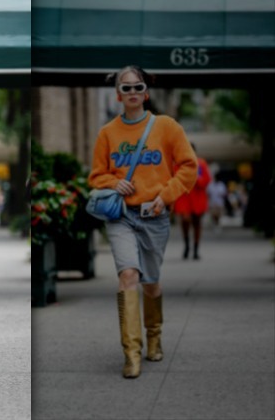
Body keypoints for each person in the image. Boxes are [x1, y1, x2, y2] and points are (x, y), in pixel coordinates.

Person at [88, 65, 197, 379]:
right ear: (118, 94)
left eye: (138, 87)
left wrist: (165, 196)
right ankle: (131, 353)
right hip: (121, 216)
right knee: (128, 275)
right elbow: (95, 176)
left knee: (151, 282)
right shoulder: (107, 133)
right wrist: (112, 182)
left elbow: (188, 167)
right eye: (126, 88)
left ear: (146, 92)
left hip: (155, 216)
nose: (132, 93)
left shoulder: (166, 127)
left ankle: (154, 335)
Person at [172, 143, 210, 259]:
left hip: (198, 198)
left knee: (197, 223)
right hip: (184, 198)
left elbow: (207, 180)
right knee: (185, 220)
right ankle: (187, 245)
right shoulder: (178, 165)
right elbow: (174, 179)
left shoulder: (201, 164)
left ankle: (195, 249)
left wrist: (197, 179)